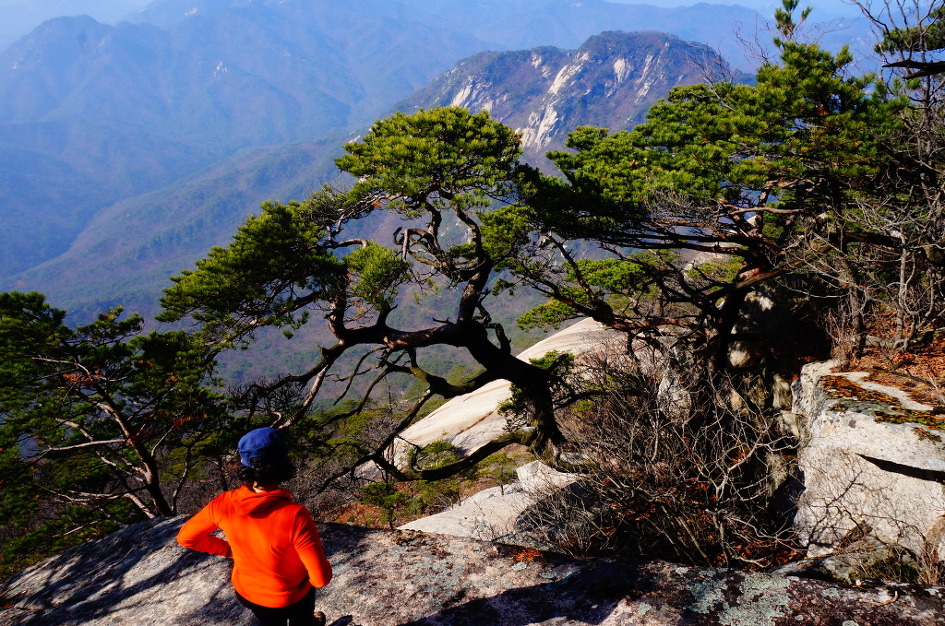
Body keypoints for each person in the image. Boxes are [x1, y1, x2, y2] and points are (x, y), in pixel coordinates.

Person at [178, 427, 332, 626]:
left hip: (249, 594)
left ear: (244, 466)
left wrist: (227, 550)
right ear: (283, 464)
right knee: (302, 620)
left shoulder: (223, 503)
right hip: (292, 598)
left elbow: (186, 538)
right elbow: (321, 580)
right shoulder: (294, 515)